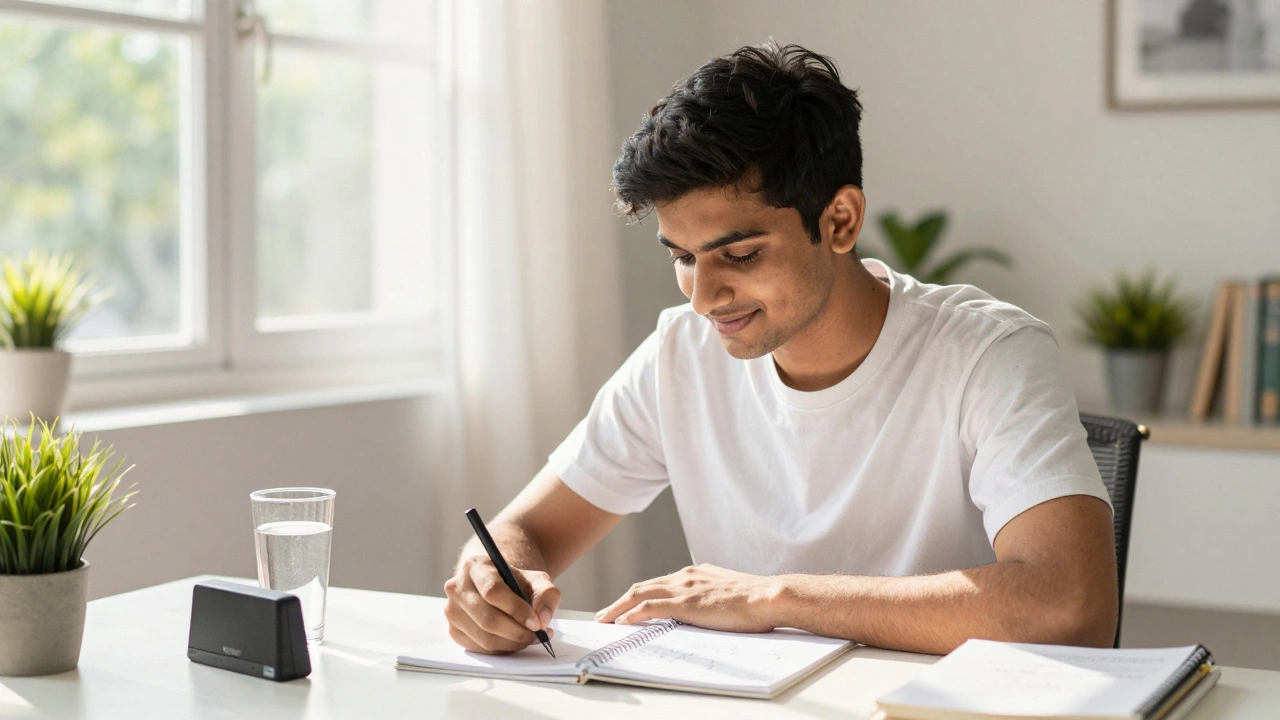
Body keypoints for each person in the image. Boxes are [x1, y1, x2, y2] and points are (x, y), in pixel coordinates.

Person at [443, 42, 1118, 656]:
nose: (704, 297)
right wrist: (493, 579)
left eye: (738, 253)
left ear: (841, 220)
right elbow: (523, 533)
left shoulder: (989, 353)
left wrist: (774, 599)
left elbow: (1070, 605)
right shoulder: (681, 355)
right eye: (682, 257)